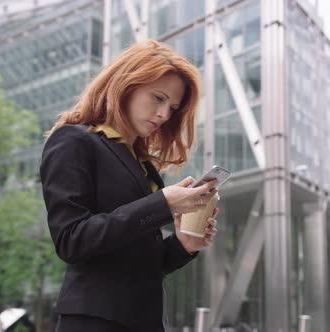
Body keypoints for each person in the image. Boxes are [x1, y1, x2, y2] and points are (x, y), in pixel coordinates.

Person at [40, 39, 220, 332]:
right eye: (158, 98)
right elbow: (71, 240)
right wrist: (163, 203)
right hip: (94, 321)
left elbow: (137, 261)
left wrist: (183, 245)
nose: (164, 115)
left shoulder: (140, 161)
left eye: (172, 107)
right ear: (126, 84)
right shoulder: (73, 140)